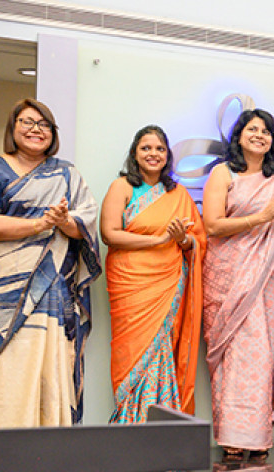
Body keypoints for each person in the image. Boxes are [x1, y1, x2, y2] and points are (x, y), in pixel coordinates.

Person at [0, 99, 100, 428]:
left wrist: (64, 221)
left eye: (44, 124)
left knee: (51, 369)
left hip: (53, 289)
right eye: (27, 122)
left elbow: (85, 223)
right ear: (13, 128)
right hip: (4, 293)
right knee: (8, 369)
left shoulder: (67, 173)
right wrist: (40, 224)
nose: (35, 130)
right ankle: (1, 458)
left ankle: (50, 459)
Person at [201, 108, 274, 457]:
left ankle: (256, 437)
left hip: (266, 280)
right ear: (238, 135)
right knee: (232, 356)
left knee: (261, 354)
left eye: (266, 131)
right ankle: (232, 439)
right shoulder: (222, 174)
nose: (259, 135)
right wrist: (261, 217)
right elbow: (212, 225)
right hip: (227, 276)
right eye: (252, 129)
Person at [100, 125, 205, 424]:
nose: (153, 154)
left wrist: (182, 240)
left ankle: (161, 434)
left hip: (168, 284)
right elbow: (109, 234)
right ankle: (128, 426)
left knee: (163, 354)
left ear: (168, 155)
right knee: (131, 354)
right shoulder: (122, 187)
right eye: (146, 148)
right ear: (135, 153)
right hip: (129, 283)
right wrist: (158, 241)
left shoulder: (178, 193)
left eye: (160, 149)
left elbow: (195, 242)